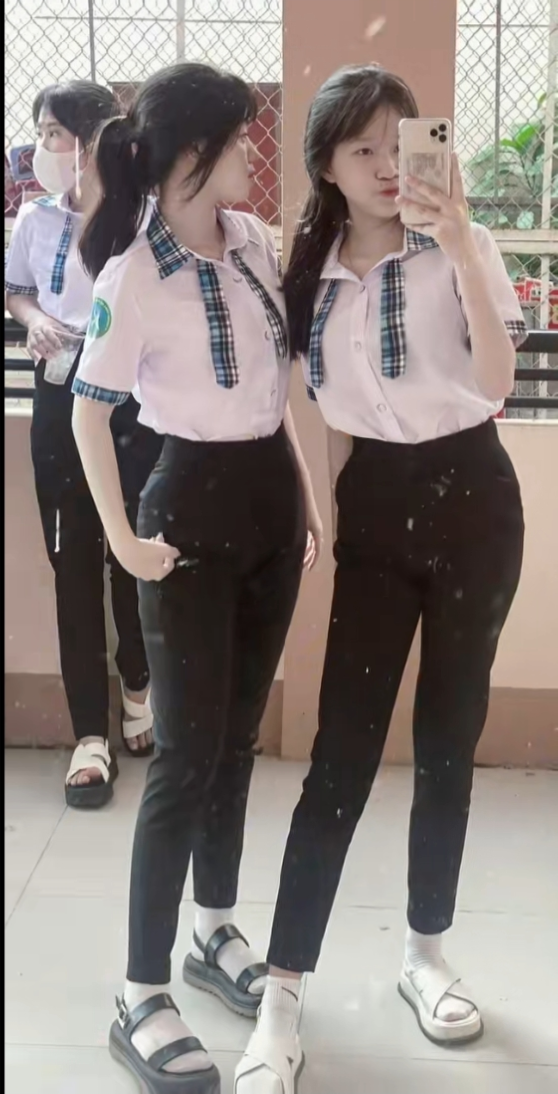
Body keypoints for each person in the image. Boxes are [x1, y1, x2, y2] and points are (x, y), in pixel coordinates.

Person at [235, 64, 527, 1094]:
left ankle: (426, 953)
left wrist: (460, 239)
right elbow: (323, 417)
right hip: (374, 511)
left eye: (399, 143)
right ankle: (281, 994)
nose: (387, 166)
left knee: (448, 741)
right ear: (326, 165)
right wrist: (327, 518)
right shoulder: (309, 273)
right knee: (341, 755)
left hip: (475, 500)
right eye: (363, 149)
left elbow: (496, 381)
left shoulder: (461, 246)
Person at [71, 62, 322, 1093]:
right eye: (237, 137)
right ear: (189, 153)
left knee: (236, 740)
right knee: (183, 756)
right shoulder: (131, 276)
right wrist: (122, 539)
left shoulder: (253, 240)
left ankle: (213, 929)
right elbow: (90, 414)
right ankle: (139, 993)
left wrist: (306, 498)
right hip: (186, 515)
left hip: (267, 505)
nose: (253, 150)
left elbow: (279, 387)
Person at [5, 80, 162, 810]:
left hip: (133, 403)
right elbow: (16, 289)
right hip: (59, 399)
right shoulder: (35, 218)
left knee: (133, 552)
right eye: (42, 132)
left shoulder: (144, 216)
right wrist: (33, 318)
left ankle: (139, 685)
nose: (44, 147)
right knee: (72, 564)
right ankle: (89, 736)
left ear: (96, 142)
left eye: (57, 134)